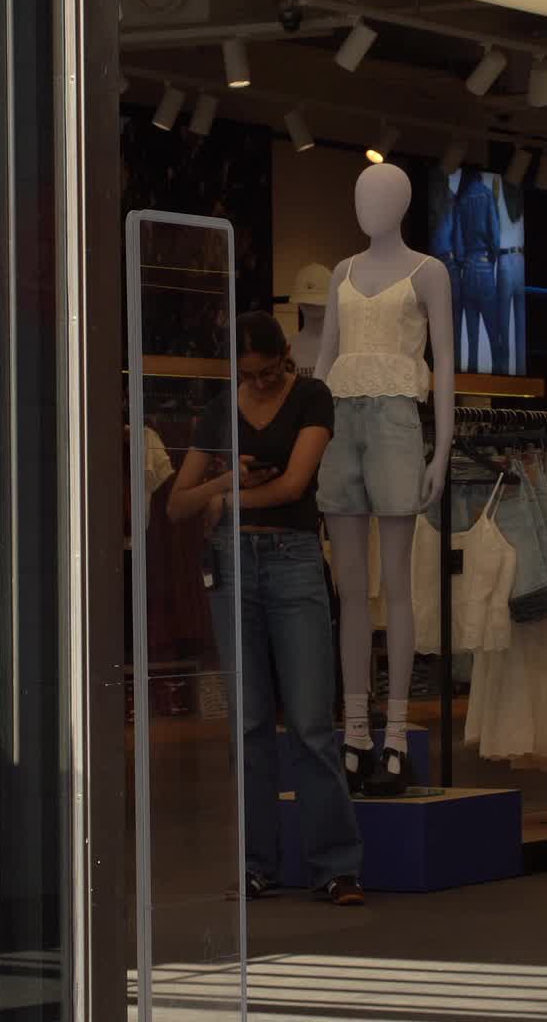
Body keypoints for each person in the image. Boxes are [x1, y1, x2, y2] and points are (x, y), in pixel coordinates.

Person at [167, 311, 365, 905]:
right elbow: (177, 504)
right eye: (247, 374)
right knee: (248, 724)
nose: (256, 384)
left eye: (266, 372)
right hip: (232, 566)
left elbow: (295, 485)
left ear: (284, 359)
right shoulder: (217, 407)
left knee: (309, 721)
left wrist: (226, 495)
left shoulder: (312, 396)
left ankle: (335, 865)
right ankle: (258, 863)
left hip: (293, 556)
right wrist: (226, 490)